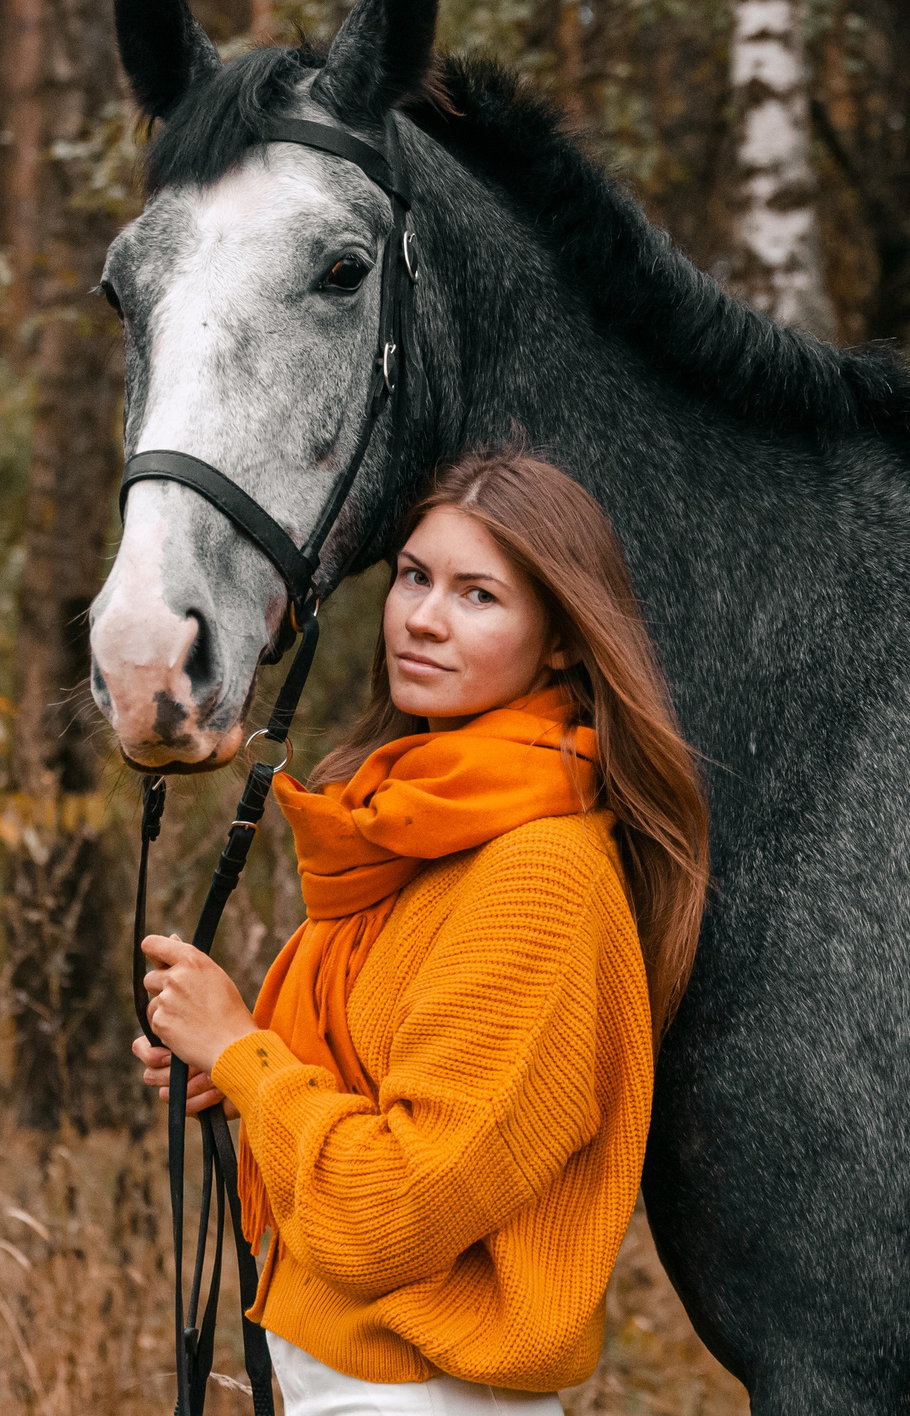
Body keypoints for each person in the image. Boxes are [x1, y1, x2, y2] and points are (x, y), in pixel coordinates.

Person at [134, 442, 711, 1414]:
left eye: (478, 595)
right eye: (414, 577)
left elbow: (393, 1211)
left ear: (562, 639)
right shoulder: (418, 826)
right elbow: (399, 1096)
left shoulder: (538, 875)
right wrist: (237, 1074)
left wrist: (244, 1054)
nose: (424, 618)